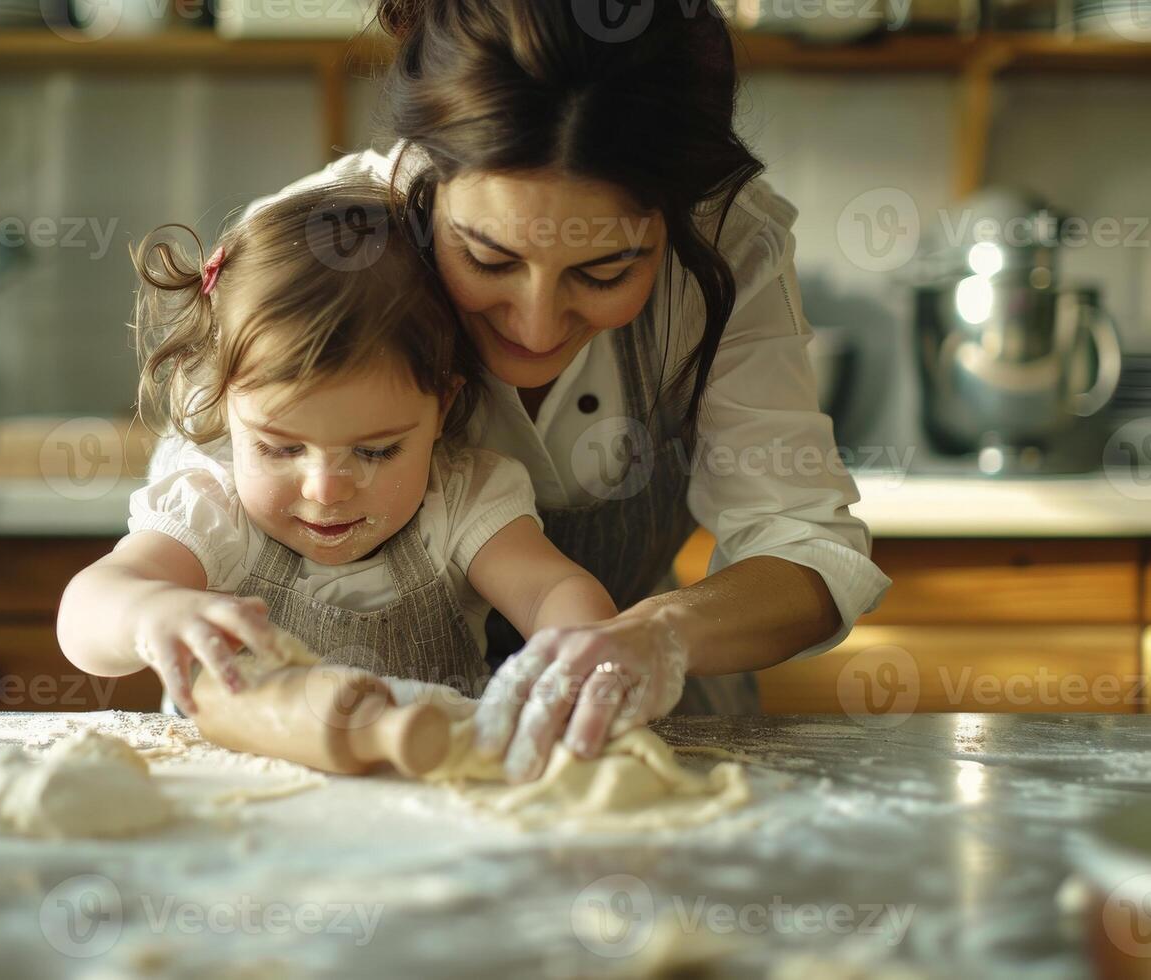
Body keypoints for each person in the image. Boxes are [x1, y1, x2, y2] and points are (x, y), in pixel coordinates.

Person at [232, 0, 893, 782]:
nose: (537, 326)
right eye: (488, 259)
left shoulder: (728, 247)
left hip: (646, 732)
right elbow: (181, 569)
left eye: (605, 271)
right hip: (357, 755)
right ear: (429, 180)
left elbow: (806, 543)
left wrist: (659, 637)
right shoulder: (307, 262)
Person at [56, 178, 625, 742]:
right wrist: (151, 612)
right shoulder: (214, 510)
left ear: (442, 404)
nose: (326, 489)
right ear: (228, 407)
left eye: (376, 450)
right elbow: (86, 617)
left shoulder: (460, 498)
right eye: (280, 448)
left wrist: (581, 656)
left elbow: (550, 591)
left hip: (432, 795)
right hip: (236, 809)